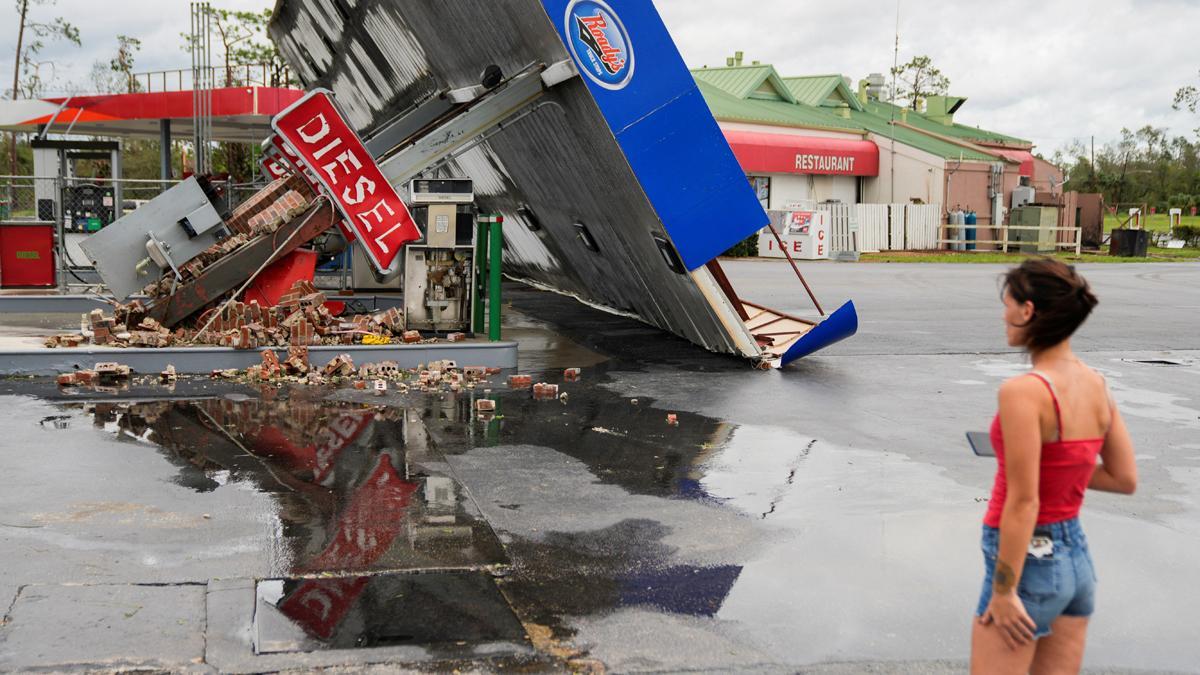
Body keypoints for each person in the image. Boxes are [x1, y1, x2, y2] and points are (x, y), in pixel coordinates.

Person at [971, 258, 1137, 674]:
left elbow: (1024, 502)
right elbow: (1123, 478)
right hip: (1076, 563)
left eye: (1008, 304)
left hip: (1028, 566)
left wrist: (1005, 592)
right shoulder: (1096, 382)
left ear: (1028, 311)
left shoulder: (1024, 392)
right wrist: (1061, 472)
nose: (1003, 315)